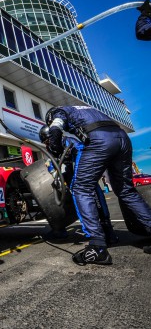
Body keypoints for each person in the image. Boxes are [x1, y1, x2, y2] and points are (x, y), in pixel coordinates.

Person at [45, 105, 151, 266]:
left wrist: (55, 148)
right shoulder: (85, 109)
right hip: (122, 138)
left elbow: (55, 130)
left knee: (81, 188)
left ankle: (97, 247)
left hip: (100, 140)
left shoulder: (59, 112)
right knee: (126, 190)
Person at [39, 125, 118, 245]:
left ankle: (106, 228)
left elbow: (82, 160)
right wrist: (55, 175)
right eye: (45, 142)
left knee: (88, 190)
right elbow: (51, 162)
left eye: (49, 140)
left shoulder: (71, 143)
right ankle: (60, 227)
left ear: (55, 137)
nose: (48, 144)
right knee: (60, 186)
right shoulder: (52, 148)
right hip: (71, 170)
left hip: (84, 167)